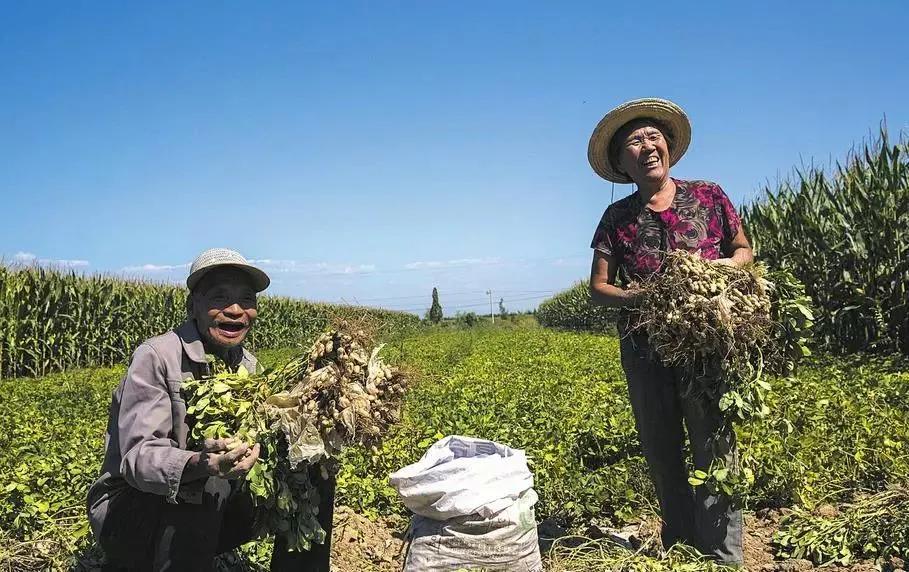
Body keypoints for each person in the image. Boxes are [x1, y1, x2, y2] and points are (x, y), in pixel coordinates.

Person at [87, 248, 335, 571]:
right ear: (193, 306)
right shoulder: (157, 357)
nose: (236, 310)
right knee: (209, 480)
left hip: (198, 512)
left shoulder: (248, 367)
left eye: (246, 299)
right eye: (220, 297)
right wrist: (199, 463)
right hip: (128, 516)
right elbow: (138, 459)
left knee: (313, 469)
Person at [586, 98, 753, 566]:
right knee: (661, 445)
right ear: (621, 163)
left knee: (713, 443)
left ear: (669, 147)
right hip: (644, 348)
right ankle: (680, 544)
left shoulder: (708, 196)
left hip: (707, 344)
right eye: (634, 142)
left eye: (653, 137)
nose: (646, 146)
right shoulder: (616, 218)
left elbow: (743, 250)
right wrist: (642, 297)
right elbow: (598, 287)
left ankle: (722, 555)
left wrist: (716, 273)